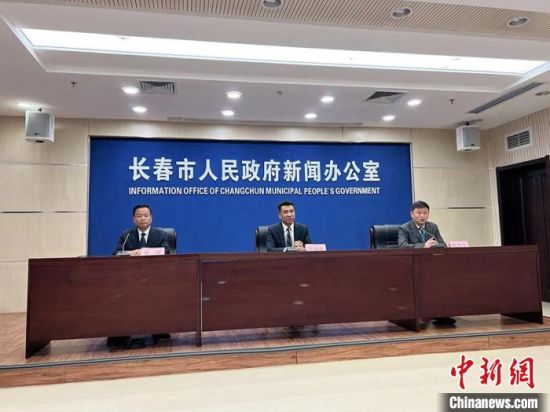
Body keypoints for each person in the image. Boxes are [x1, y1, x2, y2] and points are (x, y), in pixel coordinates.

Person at [108, 204, 171, 350]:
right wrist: (128, 253)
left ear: (151, 218)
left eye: (146, 215)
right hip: (132, 277)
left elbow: (166, 251)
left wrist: (145, 252)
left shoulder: (161, 234)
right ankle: (124, 331)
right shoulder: (126, 235)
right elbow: (116, 253)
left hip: (155, 276)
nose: (143, 218)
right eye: (139, 216)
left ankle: (159, 329)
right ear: (134, 219)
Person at [398, 200, 455, 326]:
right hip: (412, 266)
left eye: (425, 213)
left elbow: (443, 245)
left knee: (444, 281)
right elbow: (402, 247)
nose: (422, 216)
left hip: (431, 266)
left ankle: (441, 313)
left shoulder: (432, 227)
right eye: (419, 213)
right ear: (412, 214)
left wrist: (434, 246)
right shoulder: (404, 228)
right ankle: (421, 313)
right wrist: (423, 246)